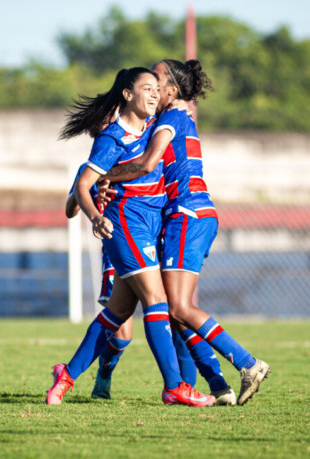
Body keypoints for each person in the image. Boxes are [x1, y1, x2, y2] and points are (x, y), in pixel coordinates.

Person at [101, 59, 270, 405]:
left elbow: (147, 164)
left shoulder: (171, 119)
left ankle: (247, 363)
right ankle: (218, 386)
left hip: (186, 214)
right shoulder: (176, 118)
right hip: (191, 215)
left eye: (157, 80)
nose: (150, 83)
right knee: (174, 308)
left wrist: (104, 175)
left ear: (173, 90)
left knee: (176, 307)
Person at [46, 67, 215, 407]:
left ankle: (67, 374)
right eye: (147, 88)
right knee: (157, 301)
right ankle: (174, 387)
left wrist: (184, 105)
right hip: (126, 224)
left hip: (151, 226)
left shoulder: (155, 127)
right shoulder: (111, 138)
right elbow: (81, 186)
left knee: (116, 314)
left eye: (158, 88)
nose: (155, 94)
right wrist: (94, 213)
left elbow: (173, 124)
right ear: (127, 95)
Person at [65, 164, 235, 404]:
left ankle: (211, 383)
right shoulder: (92, 166)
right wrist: (81, 196)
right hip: (119, 249)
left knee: (176, 313)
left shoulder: (144, 159)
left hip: (155, 244)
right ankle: (104, 372)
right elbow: (69, 210)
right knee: (122, 333)